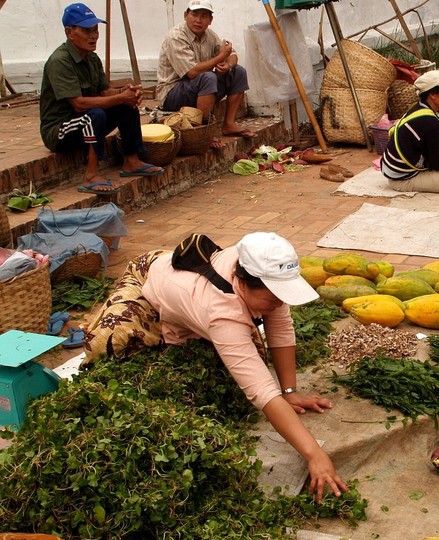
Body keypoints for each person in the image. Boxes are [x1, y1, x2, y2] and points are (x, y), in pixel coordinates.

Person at [137, 232, 347, 501]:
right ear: (242, 283)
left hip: (185, 283)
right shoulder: (222, 312)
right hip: (149, 275)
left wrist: (290, 391)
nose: (280, 304)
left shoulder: (259, 267)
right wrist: (314, 455)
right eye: (272, 300)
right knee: (113, 339)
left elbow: (280, 326)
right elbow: (261, 390)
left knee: (250, 347)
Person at [40, 3, 165, 194]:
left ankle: (131, 160)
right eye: (86, 30)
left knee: (126, 105)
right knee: (94, 115)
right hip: (58, 129)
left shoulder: (92, 58)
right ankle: (91, 174)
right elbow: (79, 104)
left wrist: (127, 93)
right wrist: (120, 97)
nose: (94, 36)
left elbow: (105, 92)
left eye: (95, 30)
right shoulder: (60, 61)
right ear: (69, 32)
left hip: (85, 119)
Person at [156, 0, 254, 149]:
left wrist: (228, 64)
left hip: (198, 86)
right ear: (185, 16)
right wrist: (221, 57)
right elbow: (192, 72)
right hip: (171, 93)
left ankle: (228, 124)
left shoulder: (209, 34)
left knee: (238, 71)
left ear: (210, 20)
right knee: (208, 77)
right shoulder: (175, 37)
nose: (198, 20)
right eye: (194, 14)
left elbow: (231, 54)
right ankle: (205, 131)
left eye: (203, 16)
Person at [381, 70, 439, 193]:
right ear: (432, 95)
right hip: (402, 179)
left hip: (397, 168)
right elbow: (437, 163)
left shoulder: (420, 108)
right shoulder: (429, 123)